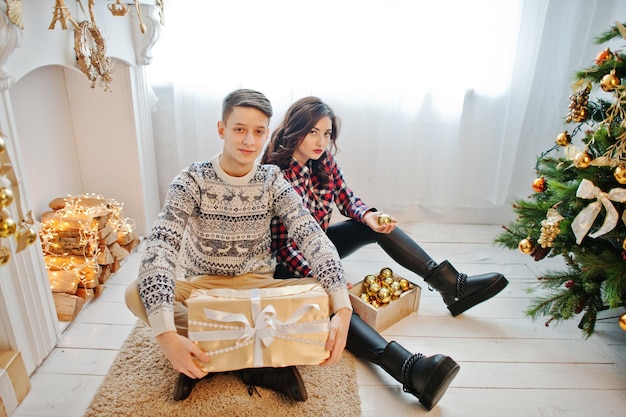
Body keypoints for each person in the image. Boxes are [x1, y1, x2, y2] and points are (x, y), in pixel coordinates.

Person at [125, 89, 459, 411]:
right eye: (239, 130)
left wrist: (342, 309)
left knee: (326, 295)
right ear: (221, 129)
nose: (248, 141)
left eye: (258, 132)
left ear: (266, 132)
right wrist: (167, 336)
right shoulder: (192, 180)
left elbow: (312, 235)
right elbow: (161, 246)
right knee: (137, 293)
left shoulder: (272, 179)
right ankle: (253, 359)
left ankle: (220, 351)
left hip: (258, 284)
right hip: (202, 285)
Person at [262, 96, 509, 318]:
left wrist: (368, 215)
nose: (321, 141)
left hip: (319, 244)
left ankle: (451, 285)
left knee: (374, 225)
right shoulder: (277, 175)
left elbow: (345, 197)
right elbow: (283, 248)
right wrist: (324, 275)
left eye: (327, 134)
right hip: (289, 261)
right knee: (331, 302)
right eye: (313, 132)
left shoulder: (322, 159)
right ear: (295, 131)